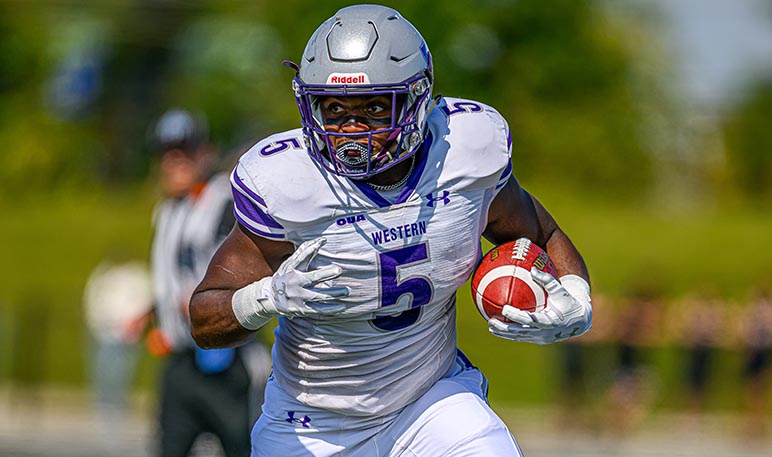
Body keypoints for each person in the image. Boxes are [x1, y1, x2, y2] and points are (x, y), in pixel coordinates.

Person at [190, 5, 592, 456]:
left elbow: (542, 233)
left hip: (430, 401)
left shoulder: (466, 151)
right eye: (334, 107)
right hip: (312, 421)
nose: (351, 129)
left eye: (376, 107)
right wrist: (265, 296)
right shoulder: (287, 183)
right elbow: (205, 319)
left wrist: (577, 298)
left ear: (418, 100)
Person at [149, 108, 270, 457]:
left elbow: (239, 260)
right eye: (167, 154)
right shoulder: (169, 209)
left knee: (243, 448)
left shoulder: (223, 200)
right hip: (181, 361)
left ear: (205, 153)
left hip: (226, 359)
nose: (174, 162)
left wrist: (203, 293)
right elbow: (171, 275)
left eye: (183, 152)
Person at [83, 257, 153, 430]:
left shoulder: (135, 276)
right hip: (104, 333)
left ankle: (116, 409)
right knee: (103, 374)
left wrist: (135, 327)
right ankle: (104, 409)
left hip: (125, 336)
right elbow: (93, 300)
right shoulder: (105, 275)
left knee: (121, 374)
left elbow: (144, 301)